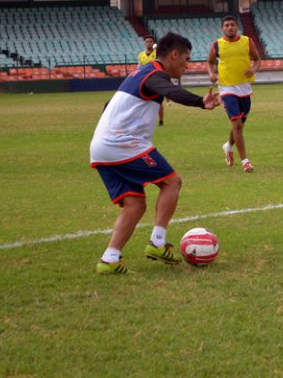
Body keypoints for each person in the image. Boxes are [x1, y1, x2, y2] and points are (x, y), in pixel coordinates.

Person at [90, 32, 220, 274]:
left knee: (135, 204)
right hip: (122, 143)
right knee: (172, 182)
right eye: (186, 59)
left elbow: (109, 105)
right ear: (173, 54)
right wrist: (201, 101)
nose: (187, 65)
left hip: (101, 147)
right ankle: (157, 243)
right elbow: (170, 91)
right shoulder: (153, 73)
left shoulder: (139, 73)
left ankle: (109, 259)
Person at [207, 15, 262, 173]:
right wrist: (212, 73)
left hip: (245, 88)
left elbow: (257, 60)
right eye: (226, 25)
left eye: (232, 25)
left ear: (236, 27)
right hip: (226, 88)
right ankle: (245, 161)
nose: (229, 27)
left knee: (239, 126)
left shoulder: (247, 41)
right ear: (222, 28)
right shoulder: (217, 45)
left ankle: (228, 146)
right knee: (237, 124)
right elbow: (210, 62)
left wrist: (253, 69)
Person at [137, 35, 165, 126]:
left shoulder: (158, 53)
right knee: (143, 101)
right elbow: (139, 68)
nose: (149, 43)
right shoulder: (141, 55)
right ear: (145, 43)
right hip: (145, 80)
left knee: (158, 101)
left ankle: (161, 121)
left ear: (153, 43)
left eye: (150, 41)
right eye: (147, 41)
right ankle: (143, 120)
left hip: (157, 79)